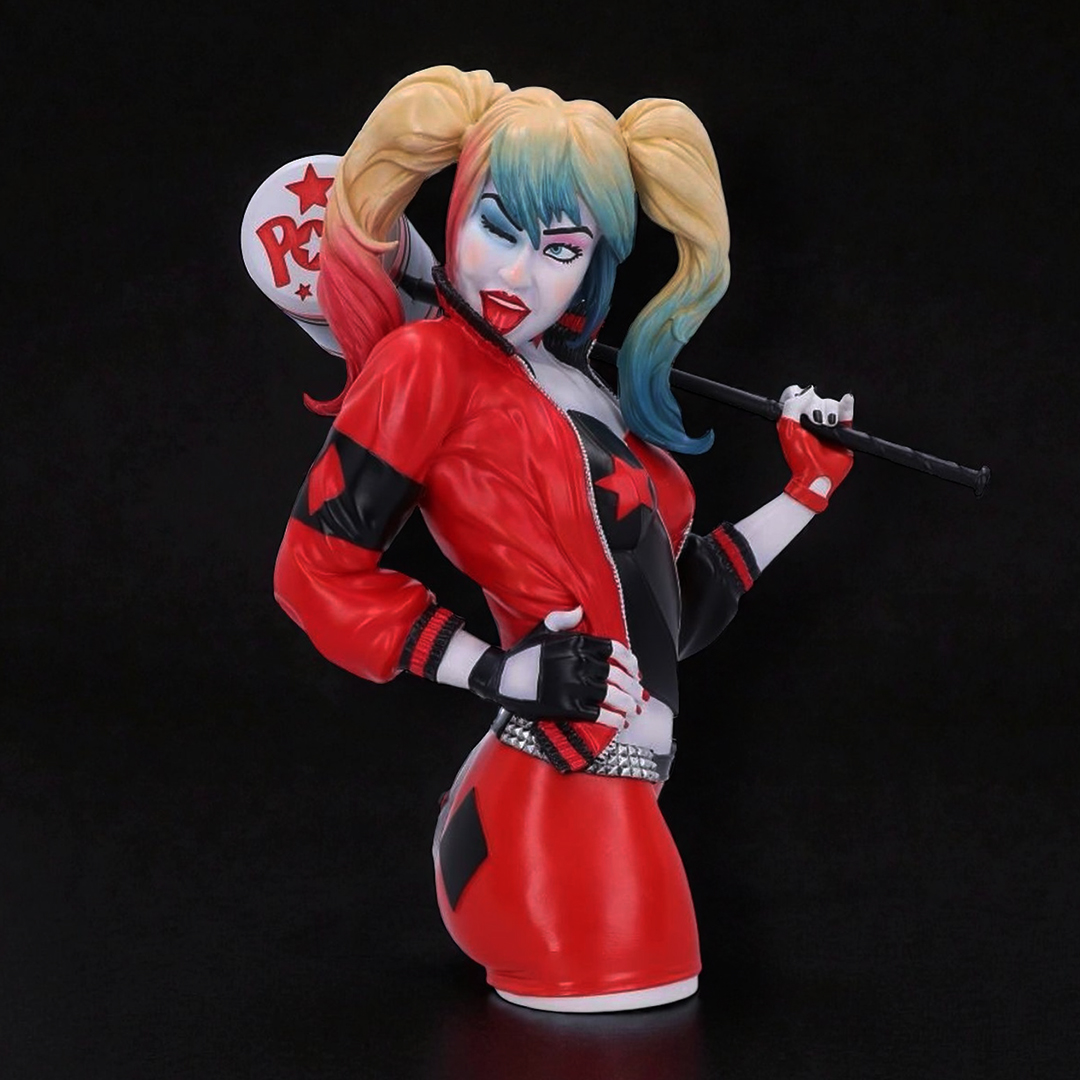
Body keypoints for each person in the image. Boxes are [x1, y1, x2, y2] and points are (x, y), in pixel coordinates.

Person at [272, 65, 854, 1012]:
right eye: (497, 227)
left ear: (594, 266)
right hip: (554, 798)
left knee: (646, 1013)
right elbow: (313, 571)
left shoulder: (578, 383)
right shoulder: (424, 364)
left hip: (608, 786)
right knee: (641, 1002)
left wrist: (808, 489)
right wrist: (499, 672)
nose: (517, 275)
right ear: (454, 212)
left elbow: (672, 610)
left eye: (560, 249)